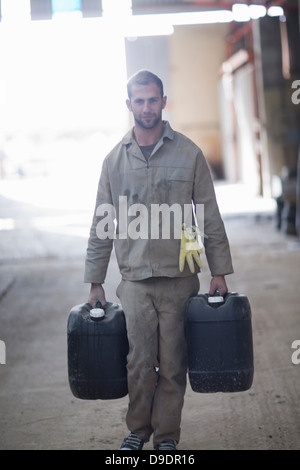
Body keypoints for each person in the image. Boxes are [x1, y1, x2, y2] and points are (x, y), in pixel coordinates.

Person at [84, 70, 233, 450]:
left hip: (180, 277)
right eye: (139, 100)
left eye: (153, 99)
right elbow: (103, 223)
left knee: (172, 365)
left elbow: (209, 215)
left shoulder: (189, 154)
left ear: (163, 102)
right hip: (134, 280)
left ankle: (166, 436)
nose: (146, 107)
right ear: (129, 104)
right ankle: (137, 430)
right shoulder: (114, 161)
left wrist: (219, 271)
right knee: (138, 363)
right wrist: (96, 280)